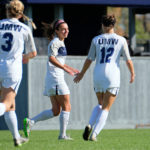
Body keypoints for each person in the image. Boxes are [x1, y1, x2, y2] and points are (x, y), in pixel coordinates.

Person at [74, 15, 135, 141]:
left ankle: (89, 124)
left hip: (98, 74)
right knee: (106, 108)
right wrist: (132, 73)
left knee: (100, 104)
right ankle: (94, 134)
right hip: (112, 75)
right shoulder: (121, 40)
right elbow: (128, 60)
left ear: (102, 25)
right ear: (114, 25)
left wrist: (82, 73)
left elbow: (89, 59)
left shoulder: (96, 39)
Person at [23, 19, 79, 140]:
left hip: (53, 79)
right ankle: (62, 135)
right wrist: (66, 70)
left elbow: (59, 61)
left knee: (55, 111)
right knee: (67, 106)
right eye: (63, 29)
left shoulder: (60, 42)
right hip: (56, 78)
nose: (66, 31)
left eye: (67, 29)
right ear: (57, 31)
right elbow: (51, 59)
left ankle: (31, 122)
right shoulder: (55, 42)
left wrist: (71, 68)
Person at [0, 0, 37, 147]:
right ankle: (16, 137)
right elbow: (33, 53)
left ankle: (16, 137)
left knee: (11, 106)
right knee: (6, 103)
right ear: (21, 14)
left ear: (7, 11)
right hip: (11, 70)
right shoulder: (24, 28)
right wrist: (24, 57)